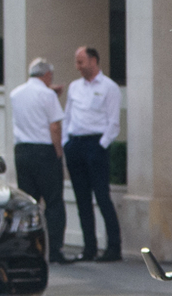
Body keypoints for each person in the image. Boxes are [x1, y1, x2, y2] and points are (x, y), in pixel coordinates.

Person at [63, 45, 123, 262]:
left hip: (95, 143)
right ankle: (89, 247)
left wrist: (101, 145)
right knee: (82, 199)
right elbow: (67, 115)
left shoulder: (109, 87)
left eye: (81, 61)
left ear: (93, 61)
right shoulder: (74, 87)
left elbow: (113, 122)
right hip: (76, 142)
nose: (78, 66)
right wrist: (65, 142)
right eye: (77, 62)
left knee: (101, 196)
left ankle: (113, 247)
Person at [8, 58, 69, 262]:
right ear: (47, 75)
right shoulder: (48, 95)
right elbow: (54, 126)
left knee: (28, 202)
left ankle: (29, 247)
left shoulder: (16, 94)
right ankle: (54, 249)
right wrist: (58, 152)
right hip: (44, 150)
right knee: (53, 202)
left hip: (22, 150)